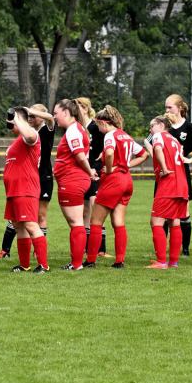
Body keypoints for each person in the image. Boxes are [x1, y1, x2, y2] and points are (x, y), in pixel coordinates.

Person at [86, 105, 148, 269]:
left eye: (98, 125)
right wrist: (126, 165)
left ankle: (91, 260)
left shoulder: (109, 135)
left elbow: (110, 153)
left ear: (104, 123)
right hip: (127, 180)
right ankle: (119, 261)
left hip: (113, 181)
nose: (98, 129)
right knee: (118, 222)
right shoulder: (125, 136)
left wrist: (107, 168)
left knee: (96, 221)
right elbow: (144, 154)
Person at [0, 104, 55, 258]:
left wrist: (22, 115)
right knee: (18, 224)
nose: (31, 119)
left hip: (31, 183)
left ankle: (42, 261)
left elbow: (49, 120)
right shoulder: (20, 138)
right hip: (16, 188)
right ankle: (23, 264)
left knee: (33, 221)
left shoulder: (35, 133)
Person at [52, 98, 95, 271]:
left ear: (66, 112)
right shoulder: (76, 128)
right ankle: (77, 261)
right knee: (77, 222)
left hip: (72, 180)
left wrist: (90, 171)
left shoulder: (72, 131)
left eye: (56, 113)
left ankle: (76, 263)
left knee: (76, 222)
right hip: (74, 179)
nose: (54, 117)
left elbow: (79, 155)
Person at [164, 94, 192, 255]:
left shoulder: (190, 127)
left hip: (181, 172)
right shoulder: (164, 124)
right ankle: (165, 246)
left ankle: (185, 248)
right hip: (165, 173)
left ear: (180, 108)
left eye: (170, 107)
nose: (167, 110)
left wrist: (189, 160)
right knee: (165, 210)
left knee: (183, 210)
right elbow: (148, 141)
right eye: (166, 107)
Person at [146, 114, 189, 269]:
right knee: (174, 221)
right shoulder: (175, 140)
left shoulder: (159, 136)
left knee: (156, 221)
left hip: (169, 183)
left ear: (161, 125)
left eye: (152, 125)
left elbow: (158, 149)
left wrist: (164, 169)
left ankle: (161, 261)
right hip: (181, 184)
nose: (150, 129)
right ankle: (173, 262)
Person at [79, 97, 109, 264]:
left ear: (85, 108)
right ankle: (86, 247)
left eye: (78, 107)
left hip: (95, 170)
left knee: (95, 207)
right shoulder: (77, 128)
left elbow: (109, 138)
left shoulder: (95, 126)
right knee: (84, 211)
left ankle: (101, 249)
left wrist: (103, 155)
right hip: (83, 171)